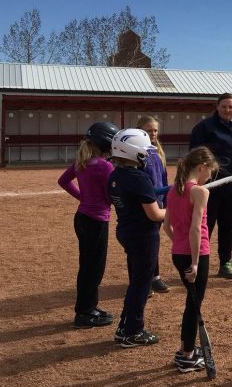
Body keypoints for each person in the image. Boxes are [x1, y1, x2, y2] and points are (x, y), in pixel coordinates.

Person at [189, 93, 232, 279]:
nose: (227, 110)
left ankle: (225, 263)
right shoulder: (204, 128)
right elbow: (195, 154)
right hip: (210, 188)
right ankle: (199, 262)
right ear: (217, 107)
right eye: (224, 106)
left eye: (231, 107)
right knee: (206, 225)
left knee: (227, 227)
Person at [108, 128, 166, 348]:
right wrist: (176, 211)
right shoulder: (139, 178)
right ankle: (133, 330)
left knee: (136, 282)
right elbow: (155, 214)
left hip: (126, 231)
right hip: (144, 236)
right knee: (141, 284)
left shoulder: (115, 176)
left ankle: (125, 326)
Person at [58, 121, 118, 329]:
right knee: (94, 268)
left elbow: (63, 181)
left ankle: (89, 306)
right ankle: (84, 312)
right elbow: (112, 195)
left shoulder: (82, 161)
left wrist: (83, 197)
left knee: (87, 266)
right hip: (96, 221)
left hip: (83, 217)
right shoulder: (105, 165)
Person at [162, 146, 217, 373]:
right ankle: (186, 355)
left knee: (191, 302)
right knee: (194, 305)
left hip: (178, 252)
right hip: (197, 253)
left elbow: (166, 225)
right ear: (201, 167)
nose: (210, 177)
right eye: (210, 172)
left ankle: (186, 348)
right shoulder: (200, 192)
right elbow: (196, 229)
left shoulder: (174, 190)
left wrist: (179, 243)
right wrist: (194, 262)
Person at [137, 115, 169, 295]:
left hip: (158, 204)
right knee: (144, 244)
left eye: (155, 130)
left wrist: (165, 201)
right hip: (144, 205)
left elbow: (163, 179)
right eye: (149, 130)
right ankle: (144, 279)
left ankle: (154, 277)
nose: (153, 133)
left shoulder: (157, 152)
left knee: (153, 242)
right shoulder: (137, 153)